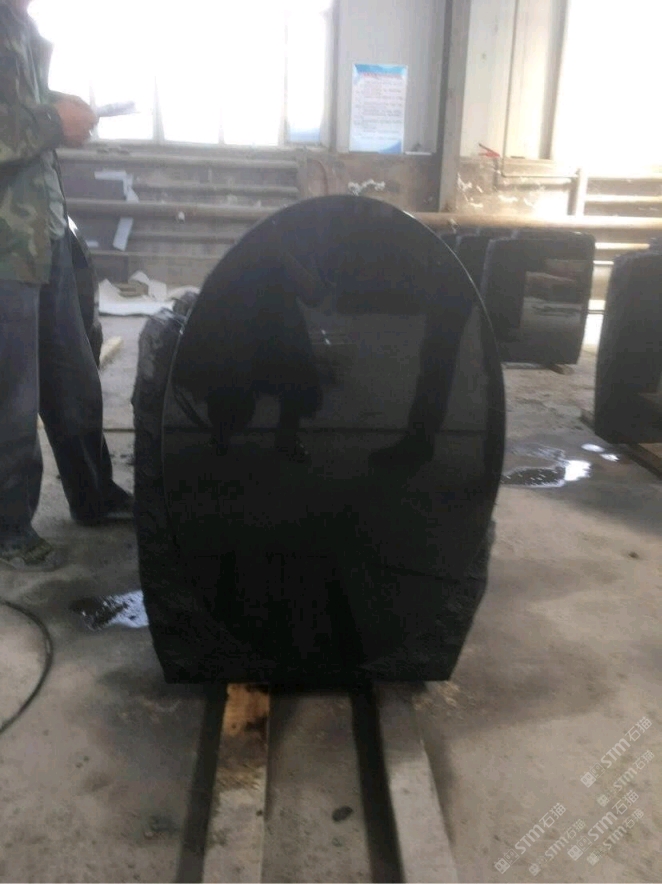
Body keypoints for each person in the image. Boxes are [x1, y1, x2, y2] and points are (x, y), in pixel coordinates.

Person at [0, 0, 133, 571]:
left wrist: (58, 108)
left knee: (74, 377)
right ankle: (9, 528)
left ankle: (92, 492)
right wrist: (55, 122)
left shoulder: (19, 22)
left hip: (43, 231)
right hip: (6, 247)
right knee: (11, 398)